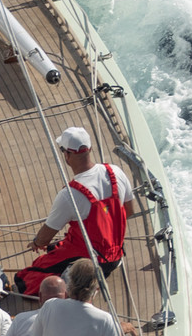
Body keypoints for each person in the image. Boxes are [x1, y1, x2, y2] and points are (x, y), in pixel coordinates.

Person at [15, 126, 133, 295]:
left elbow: (44, 238)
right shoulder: (116, 172)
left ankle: (81, 280)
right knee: (54, 248)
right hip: (115, 254)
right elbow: (129, 211)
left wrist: (36, 243)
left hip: (91, 260)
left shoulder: (69, 195)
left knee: (25, 278)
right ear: (90, 149)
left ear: (67, 155)